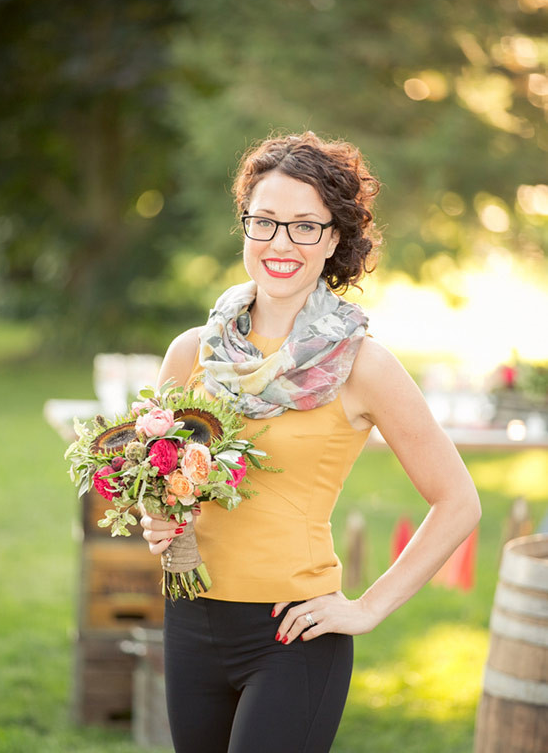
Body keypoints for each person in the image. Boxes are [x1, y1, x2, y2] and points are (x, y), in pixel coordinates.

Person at [140, 131, 482, 753]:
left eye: (304, 226)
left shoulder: (362, 365)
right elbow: (159, 482)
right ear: (245, 226)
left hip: (293, 635)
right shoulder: (192, 352)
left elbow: (458, 501)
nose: (280, 243)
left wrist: (368, 607)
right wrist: (156, 515)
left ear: (333, 239)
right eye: (265, 221)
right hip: (190, 620)